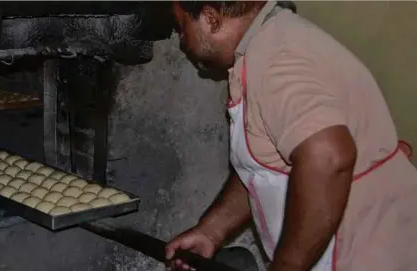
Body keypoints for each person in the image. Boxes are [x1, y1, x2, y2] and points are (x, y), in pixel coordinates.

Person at [165, 1, 417, 271]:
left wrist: (287, 267)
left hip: (363, 254)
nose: (183, 42)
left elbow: (327, 156)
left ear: (211, 18)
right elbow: (265, 167)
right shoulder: (267, 42)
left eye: (182, 28)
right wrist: (211, 231)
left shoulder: (276, 60)